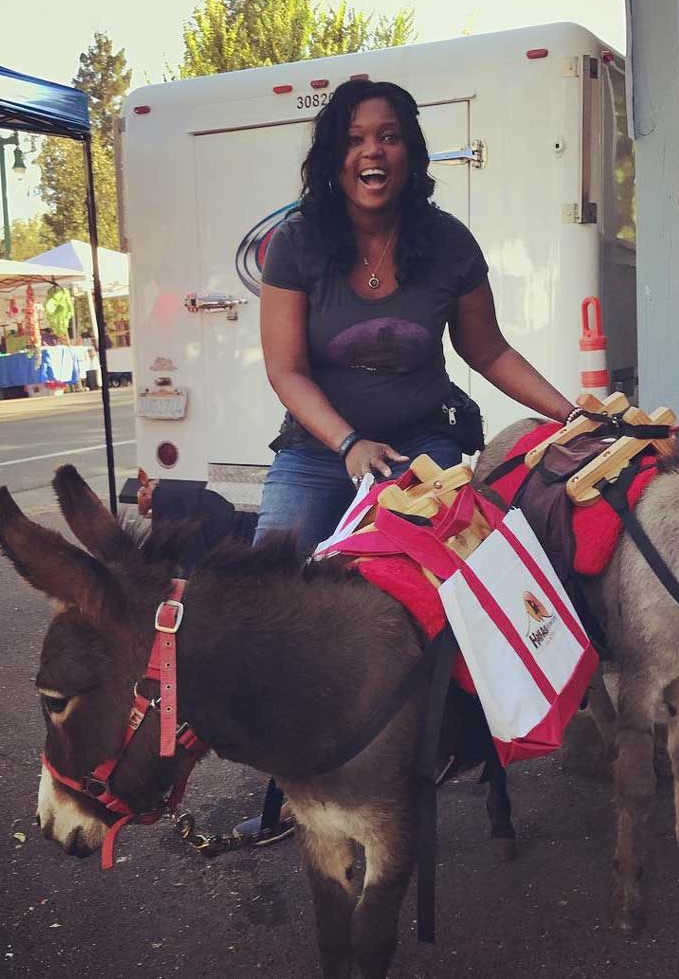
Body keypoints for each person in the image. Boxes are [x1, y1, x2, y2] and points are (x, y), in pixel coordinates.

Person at [235, 79, 577, 844]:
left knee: (449, 593)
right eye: (355, 139)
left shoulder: (447, 242)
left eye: (388, 136)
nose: (372, 152)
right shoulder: (296, 243)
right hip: (320, 450)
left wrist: (570, 412)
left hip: (426, 445)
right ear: (334, 154)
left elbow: (486, 350)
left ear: (411, 151)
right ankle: (291, 762)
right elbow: (286, 368)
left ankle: (436, 744)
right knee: (272, 598)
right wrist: (349, 444)